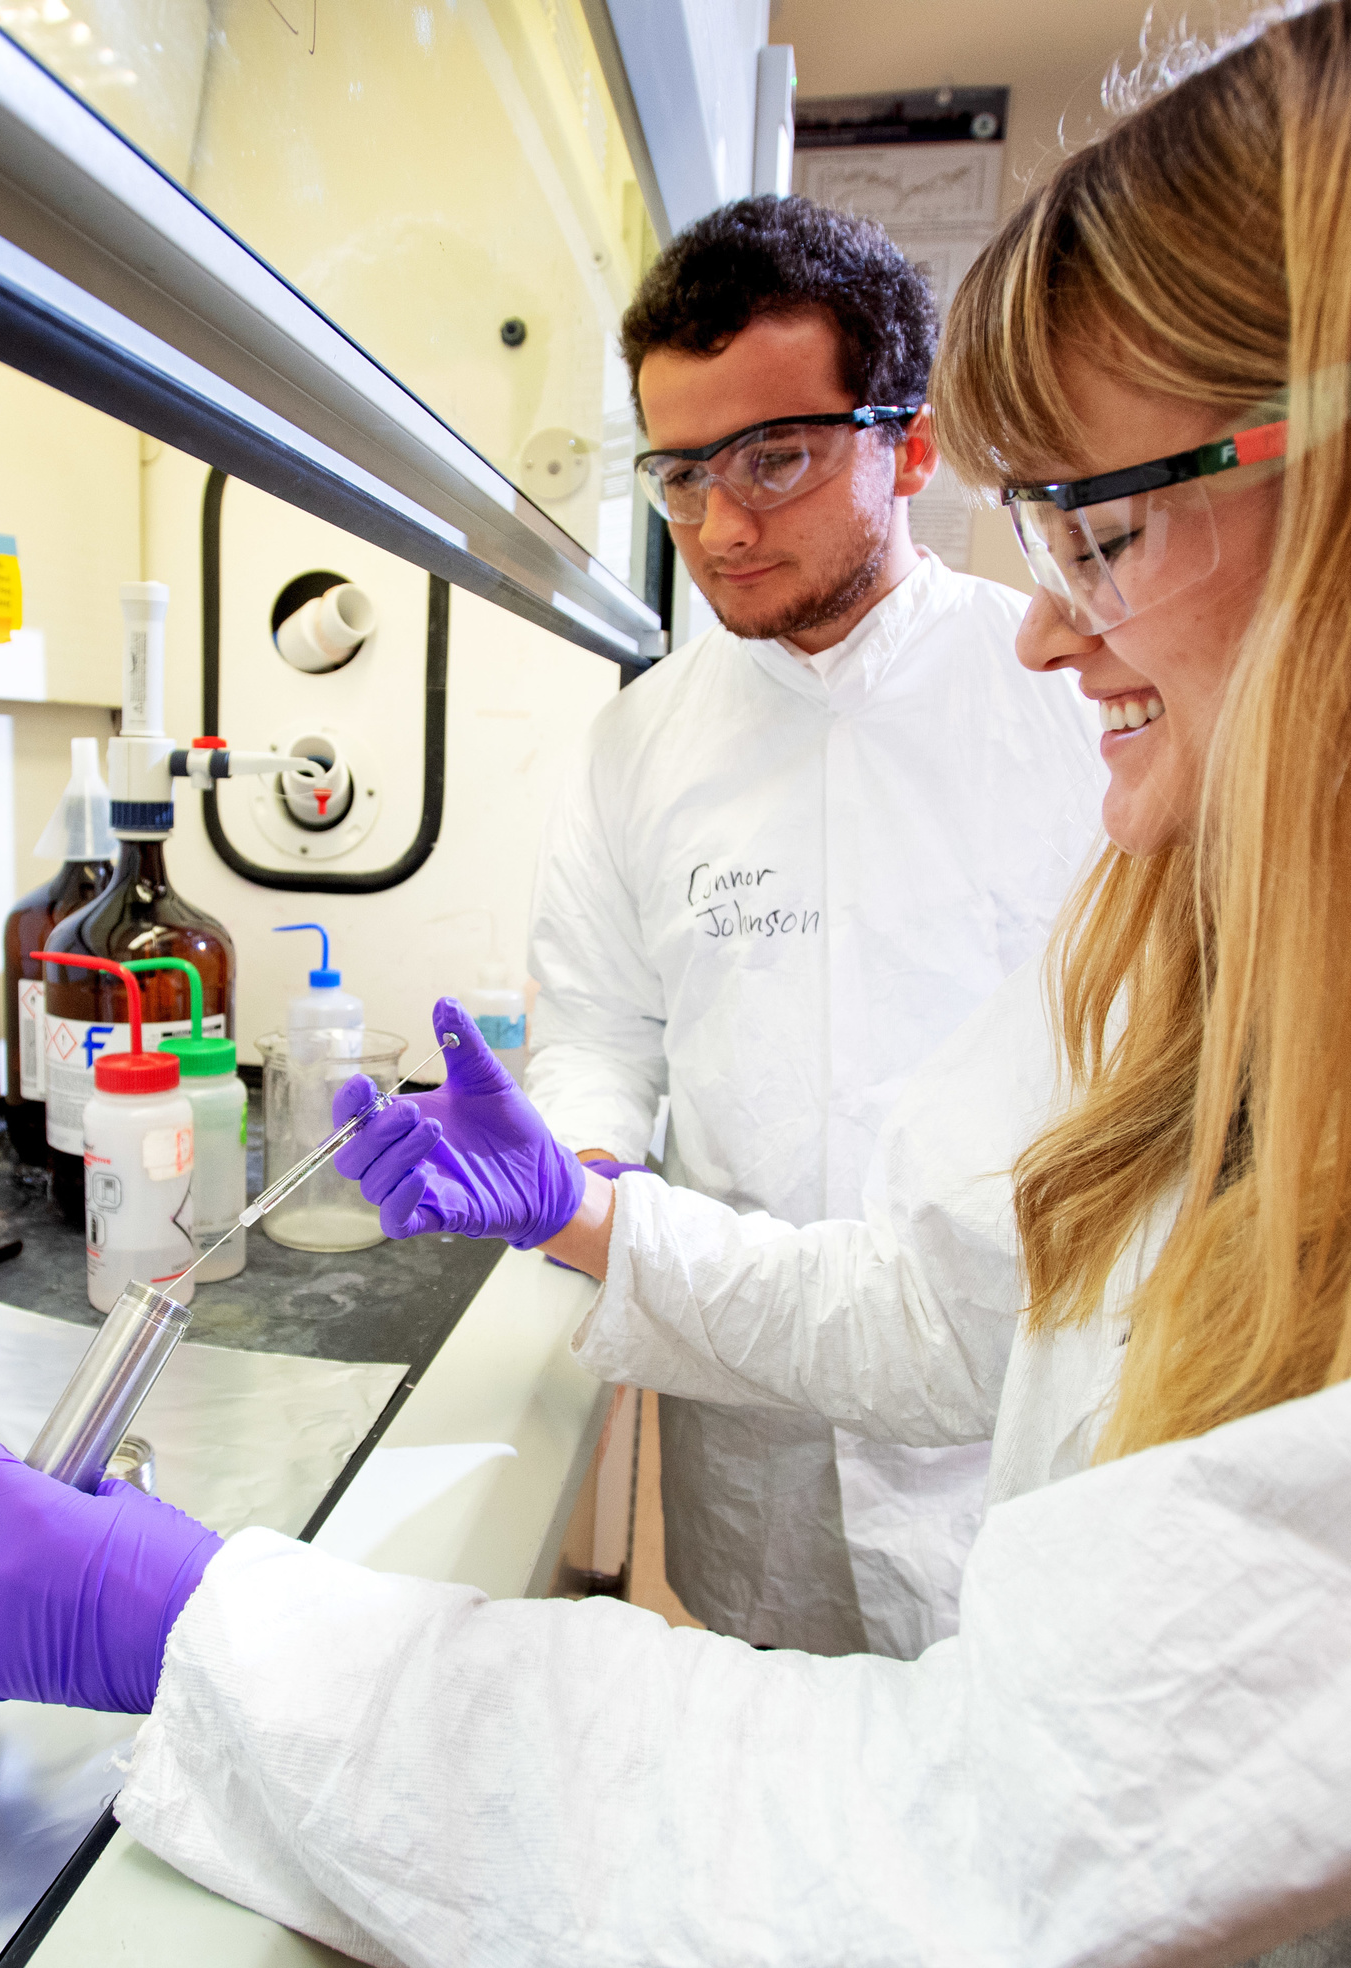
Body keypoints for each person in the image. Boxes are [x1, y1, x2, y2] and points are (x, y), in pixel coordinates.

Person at [0, 2, 1351, 1961]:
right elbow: (958, 1293)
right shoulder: (1278, 927)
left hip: (1002, 1637)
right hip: (835, 1487)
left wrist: (229, 1637)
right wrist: (582, 1194)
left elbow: (981, 1853)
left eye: (1111, 529)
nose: (1062, 636)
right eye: (678, 474)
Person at [526, 195, 1104, 1657]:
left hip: (1017, 1431)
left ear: (909, 443)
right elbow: (601, 1023)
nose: (721, 526)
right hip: (752, 1422)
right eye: (679, 473)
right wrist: (578, 1172)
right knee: (768, 1769)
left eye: (775, 456)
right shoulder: (639, 743)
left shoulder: (1077, 693)